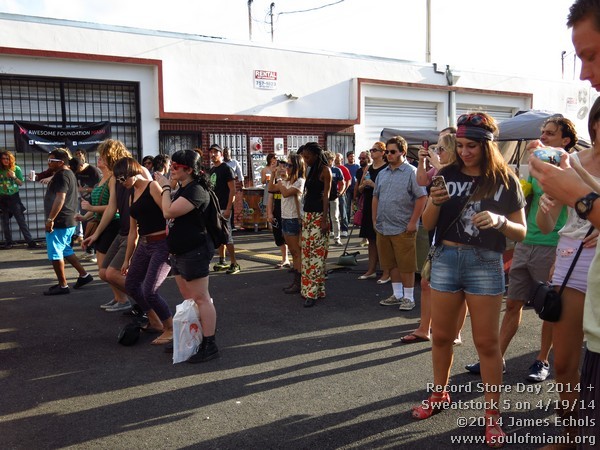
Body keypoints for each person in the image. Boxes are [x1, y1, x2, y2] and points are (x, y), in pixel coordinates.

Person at [413, 112, 526, 448]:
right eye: (460, 145)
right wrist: (435, 203)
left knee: (487, 343)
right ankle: (439, 394)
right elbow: (428, 225)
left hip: (485, 262)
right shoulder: (446, 174)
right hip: (446, 258)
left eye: (471, 146)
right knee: (442, 336)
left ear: (487, 145)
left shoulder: (505, 180)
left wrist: (500, 221)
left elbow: (521, 231)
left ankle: (492, 415)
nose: (463, 151)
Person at [528, 4, 600, 446]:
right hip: (572, 263)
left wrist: (587, 205)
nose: (585, 73)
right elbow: (546, 219)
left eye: (591, 56)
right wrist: (551, 198)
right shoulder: (574, 165)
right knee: (569, 361)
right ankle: (570, 430)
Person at [465, 116, 577, 381]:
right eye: (543, 132)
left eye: (550, 133)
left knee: (549, 307)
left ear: (565, 140)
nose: (543, 137)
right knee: (513, 302)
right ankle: (497, 357)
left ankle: (542, 360)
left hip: (552, 245)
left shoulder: (569, 168)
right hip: (526, 242)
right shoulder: (538, 166)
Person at [154, 150, 219, 362]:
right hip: (179, 251)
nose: (171, 169)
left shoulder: (197, 190)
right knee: (190, 298)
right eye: (171, 165)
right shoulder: (184, 188)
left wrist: (165, 187)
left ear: (189, 169)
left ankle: (210, 344)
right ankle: (197, 336)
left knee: (201, 298)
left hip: (194, 250)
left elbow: (168, 211)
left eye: (175, 167)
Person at [402, 131, 465, 343]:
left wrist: (437, 164)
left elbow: (453, 195)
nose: (437, 152)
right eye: (436, 148)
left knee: (459, 287)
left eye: (440, 149)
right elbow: (421, 180)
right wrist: (422, 161)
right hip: (436, 232)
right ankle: (424, 328)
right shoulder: (438, 168)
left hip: (455, 234)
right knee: (426, 282)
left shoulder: (461, 172)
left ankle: (455, 332)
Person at [115, 157, 173, 344]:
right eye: (118, 179)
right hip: (144, 244)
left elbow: (168, 213)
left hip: (161, 243)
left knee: (150, 291)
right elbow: (133, 232)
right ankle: (155, 321)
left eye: (122, 178)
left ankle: (171, 328)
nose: (121, 182)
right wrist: (127, 259)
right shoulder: (132, 194)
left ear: (132, 172)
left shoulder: (152, 186)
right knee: (131, 284)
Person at [373, 136, 427, 311]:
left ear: (403, 152)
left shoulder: (412, 172)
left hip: (403, 227)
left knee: (406, 264)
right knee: (391, 263)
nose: (388, 154)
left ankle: (409, 298)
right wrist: (374, 219)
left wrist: (413, 222)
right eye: (387, 152)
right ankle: (397, 295)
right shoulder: (382, 173)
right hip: (383, 227)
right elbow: (376, 197)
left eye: (392, 152)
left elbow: (422, 197)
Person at [81, 139, 135, 312]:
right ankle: (121, 298)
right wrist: (88, 220)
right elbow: (109, 205)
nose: (99, 158)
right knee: (104, 270)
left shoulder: (118, 177)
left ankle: (133, 299)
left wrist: (91, 210)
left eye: (103, 156)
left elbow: (113, 207)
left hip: (117, 226)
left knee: (108, 270)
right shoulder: (106, 178)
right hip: (110, 225)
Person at [42, 148, 93, 295]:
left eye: (51, 160)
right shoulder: (68, 173)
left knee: (55, 253)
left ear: (61, 162)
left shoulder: (62, 175)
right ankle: (84, 275)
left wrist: (50, 219)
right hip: (67, 219)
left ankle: (63, 285)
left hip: (60, 221)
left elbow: (60, 198)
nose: (48, 163)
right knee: (65, 249)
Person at [268, 152, 305, 293]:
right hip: (285, 218)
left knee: (296, 252)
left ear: (296, 166)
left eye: (289, 165)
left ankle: (299, 282)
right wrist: (273, 173)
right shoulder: (286, 180)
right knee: (294, 251)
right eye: (285, 164)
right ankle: (297, 280)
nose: (285, 167)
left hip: (293, 219)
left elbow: (285, 193)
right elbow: (271, 189)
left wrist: (280, 180)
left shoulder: (300, 181)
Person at [300, 142, 332, 307]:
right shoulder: (310, 169)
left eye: (307, 157)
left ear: (316, 155)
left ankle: (312, 293)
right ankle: (312, 290)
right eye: (304, 157)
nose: (305, 160)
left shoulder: (326, 170)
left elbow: (326, 196)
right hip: (308, 215)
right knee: (307, 254)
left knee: (317, 257)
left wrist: (325, 220)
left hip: (319, 216)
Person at [357, 142, 390, 283]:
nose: (372, 152)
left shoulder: (387, 168)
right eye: (371, 150)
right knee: (371, 239)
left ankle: (386, 272)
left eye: (375, 150)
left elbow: (388, 191)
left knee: (383, 240)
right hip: (369, 204)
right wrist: (363, 185)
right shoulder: (368, 168)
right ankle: (371, 270)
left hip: (382, 205)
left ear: (383, 152)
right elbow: (359, 188)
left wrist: (372, 185)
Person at [209, 144, 240, 274]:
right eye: (211, 152)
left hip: (224, 207)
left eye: (216, 152)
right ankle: (222, 260)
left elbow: (233, 190)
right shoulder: (211, 170)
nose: (213, 154)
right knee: (218, 234)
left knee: (227, 236)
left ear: (221, 154)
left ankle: (234, 263)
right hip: (215, 208)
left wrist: (228, 209)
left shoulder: (227, 169)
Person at [0, 150, 38, 249]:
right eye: (3, 159)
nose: (5, 161)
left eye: (7, 158)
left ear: (11, 159)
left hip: (13, 197)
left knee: (21, 220)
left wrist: (13, 177)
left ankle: (30, 241)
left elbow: (20, 183)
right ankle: (8, 242)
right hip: (2, 198)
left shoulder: (16, 168)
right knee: (5, 222)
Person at [70, 149, 101, 252]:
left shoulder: (93, 171)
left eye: (77, 170)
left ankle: (95, 250)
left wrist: (85, 189)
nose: (77, 172)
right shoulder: (75, 171)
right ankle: (89, 250)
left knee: (94, 225)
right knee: (85, 223)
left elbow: (100, 188)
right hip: (83, 201)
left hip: (95, 202)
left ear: (81, 165)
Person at [325, 151, 344, 246]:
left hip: (333, 197)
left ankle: (337, 238)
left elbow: (343, 183)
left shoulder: (337, 170)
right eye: (327, 159)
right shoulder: (322, 170)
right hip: (323, 197)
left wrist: (340, 192)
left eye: (331, 159)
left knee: (335, 218)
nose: (330, 161)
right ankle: (325, 238)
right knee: (324, 218)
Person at [223, 146, 244, 230]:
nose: (226, 154)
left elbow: (240, 174)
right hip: (222, 186)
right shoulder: (221, 162)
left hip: (231, 186)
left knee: (231, 204)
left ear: (230, 153)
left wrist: (242, 185)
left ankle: (231, 224)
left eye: (227, 153)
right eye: (224, 153)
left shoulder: (234, 163)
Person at [334, 153, 352, 238]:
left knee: (343, 211)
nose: (336, 159)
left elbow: (348, 180)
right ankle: (333, 229)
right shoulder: (332, 168)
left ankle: (344, 229)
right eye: (336, 157)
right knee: (333, 212)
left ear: (342, 159)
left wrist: (344, 190)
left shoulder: (344, 168)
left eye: (338, 157)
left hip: (341, 193)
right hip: (333, 193)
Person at [344, 150, 360, 231]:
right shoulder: (345, 167)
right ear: (347, 158)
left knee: (356, 206)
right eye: (350, 156)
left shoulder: (357, 166)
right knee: (347, 206)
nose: (352, 158)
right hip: (348, 189)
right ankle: (346, 222)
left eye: (353, 156)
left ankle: (357, 221)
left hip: (356, 189)